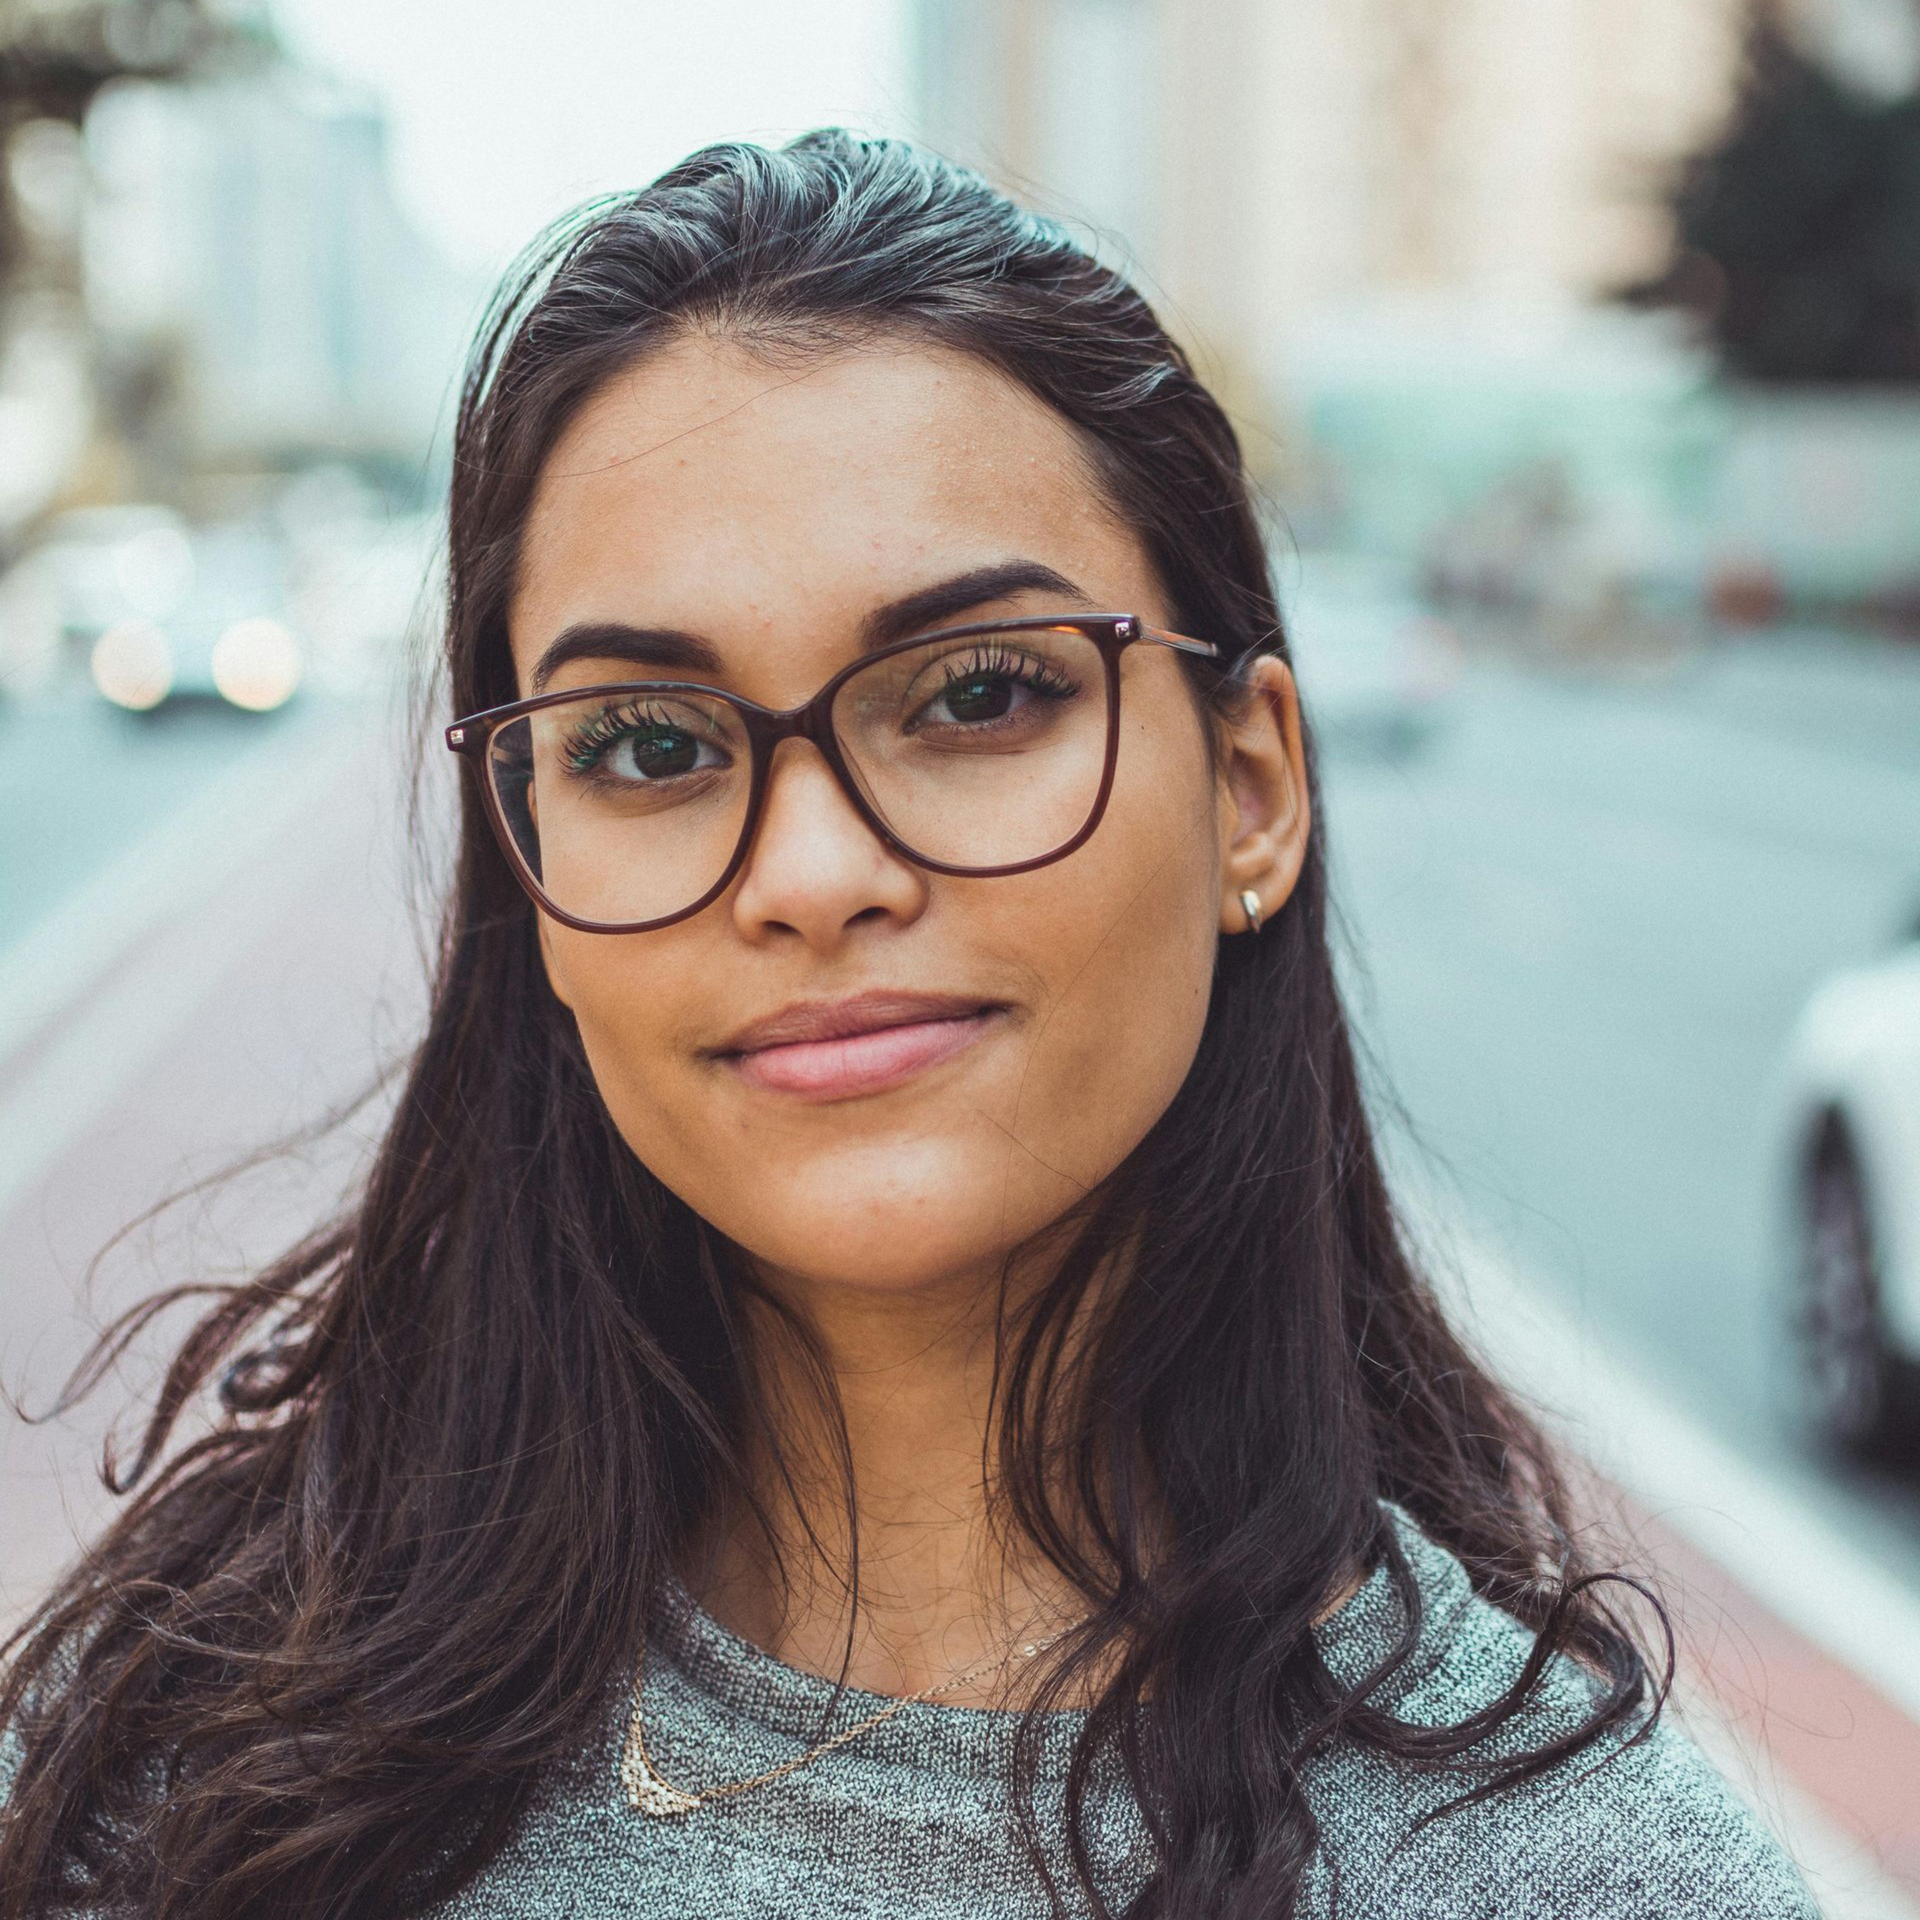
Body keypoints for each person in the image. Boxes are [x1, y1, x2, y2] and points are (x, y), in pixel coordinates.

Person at [0, 132, 1814, 1920]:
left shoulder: (1581, 1875)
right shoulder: (185, 1752)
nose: (807, 871)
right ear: (532, 866)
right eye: (649, 744)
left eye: (978, 694)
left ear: (1249, 789)